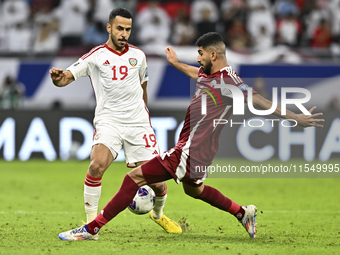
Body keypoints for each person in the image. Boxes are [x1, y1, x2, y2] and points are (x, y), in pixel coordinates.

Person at [58, 32, 324, 240]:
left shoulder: (230, 83)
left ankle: (91, 228)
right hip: (203, 151)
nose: (198, 59)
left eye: (200, 54)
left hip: (189, 150)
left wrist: (296, 117)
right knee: (194, 189)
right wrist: (175, 64)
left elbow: (260, 100)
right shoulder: (211, 74)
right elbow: (198, 74)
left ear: (213, 54)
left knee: (133, 177)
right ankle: (242, 213)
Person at [49, 7, 182, 239]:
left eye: (128, 29)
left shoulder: (139, 56)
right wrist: (57, 78)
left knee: (159, 182)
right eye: (120, 28)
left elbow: (143, 90)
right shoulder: (96, 56)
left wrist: (143, 117)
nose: (124, 33)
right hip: (109, 120)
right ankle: (90, 226)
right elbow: (64, 79)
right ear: (109, 28)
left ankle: (158, 214)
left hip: (138, 123)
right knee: (96, 165)